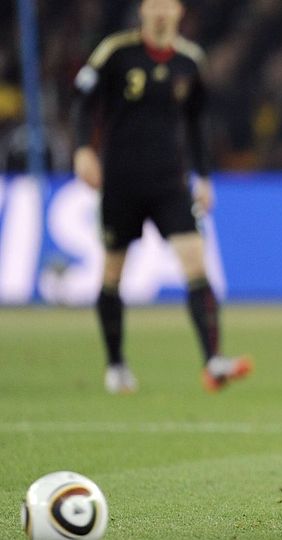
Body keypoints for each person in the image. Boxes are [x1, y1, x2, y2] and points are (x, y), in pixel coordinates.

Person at [71, 0, 251, 394]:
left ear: (179, 11)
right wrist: (83, 149)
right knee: (113, 272)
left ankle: (213, 360)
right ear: (142, 10)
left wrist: (204, 177)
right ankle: (116, 364)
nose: (160, 12)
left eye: (167, 4)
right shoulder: (116, 52)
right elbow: (84, 102)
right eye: (153, 4)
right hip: (120, 182)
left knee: (195, 262)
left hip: (170, 182)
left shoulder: (190, 60)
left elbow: (197, 122)